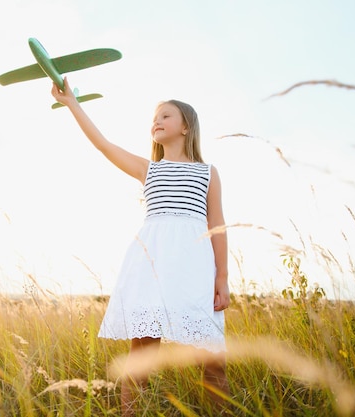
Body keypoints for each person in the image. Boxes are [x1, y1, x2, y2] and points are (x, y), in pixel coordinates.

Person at [51, 77, 230, 415]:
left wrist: (222, 278)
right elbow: (104, 145)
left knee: (213, 359)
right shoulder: (149, 170)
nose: (156, 122)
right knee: (141, 354)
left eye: (165, 116)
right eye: (154, 118)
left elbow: (217, 226)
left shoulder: (208, 173)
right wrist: (72, 103)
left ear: (186, 126)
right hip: (151, 266)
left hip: (194, 269)